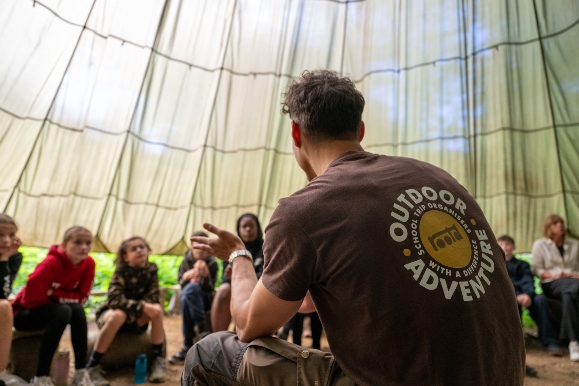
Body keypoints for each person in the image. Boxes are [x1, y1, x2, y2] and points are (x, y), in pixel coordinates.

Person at [182, 70, 525, 385]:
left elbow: (246, 324)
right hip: (503, 377)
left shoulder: (304, 210)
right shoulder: (439, 179)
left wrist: (239, 256)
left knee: (209, 353)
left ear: (295, 132)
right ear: (360, 130)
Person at [12, 226, 95, 386]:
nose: (84, 247)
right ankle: (41, 376)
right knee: (63, 310)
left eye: (88, 243)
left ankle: (80, 372)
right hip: (25, 314)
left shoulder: (88, 264)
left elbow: (82, 297)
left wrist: (53, 293)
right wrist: (64, 298)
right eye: (77, 242)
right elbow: (29, 301)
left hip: (55, 310)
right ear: (64, 245)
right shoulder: (50, 264)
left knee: (76, 310)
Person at [87, 236, 167, 385]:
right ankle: (93, 365)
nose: (139, 250)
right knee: (119, 314)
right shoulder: (121, 270)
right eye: (133, 248)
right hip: (113, 317)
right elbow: (114, 300)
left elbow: (153, 297)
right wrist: (141, 307)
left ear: (148, 250)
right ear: (125, 257)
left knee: (156, 310)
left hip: (135, 320)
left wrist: (141, 309)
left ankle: (158, 360)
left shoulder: (152, 270)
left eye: (142, 247)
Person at [497, 235, 562, 377]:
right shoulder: (495, 265)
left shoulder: (522, 265)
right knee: (510, 305)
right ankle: (516, 346)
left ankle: (550, 341)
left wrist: (527, 294)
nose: (505, 247)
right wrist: (513, 297)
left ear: (513, 247)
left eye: (508, 244)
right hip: (507, 299)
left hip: (525, 296)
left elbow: (528, 280)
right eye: (501, 244)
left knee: (540, 300)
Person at [531, 214, 579, 361]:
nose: (560, 225)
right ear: (549, 227)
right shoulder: (540, 244)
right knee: (572, 290)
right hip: (552, 282)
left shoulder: (575, 244)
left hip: (574, 282)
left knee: (569, 294)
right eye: (556, 223)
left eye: (561, 223)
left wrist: (573, 275)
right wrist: (554, 275)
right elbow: (536, 269)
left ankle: (573, 342)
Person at [168, 231, 218, 364]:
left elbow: (210, 289)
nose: (201, 247)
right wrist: (186, 276)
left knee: (190, 292)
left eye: (204, 244)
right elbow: (181, 283)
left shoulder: (212, 263)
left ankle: (186, 345)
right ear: (191, 245)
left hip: (206, 299)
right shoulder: (186, 261)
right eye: (198, 243)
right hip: (189, 300)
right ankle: (202, 328)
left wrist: (206, 276)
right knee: (188, 293)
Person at [209, 214, 264, 332]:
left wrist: (243, 276)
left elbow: (268, 276)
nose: (248, 229)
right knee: (224, 289)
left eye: (251, 226)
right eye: (244, 226)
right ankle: (218, 337)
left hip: (259, 291)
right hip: (235, 289)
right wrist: (232, 277)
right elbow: (225, 277)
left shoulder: (266, 247)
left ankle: (244, 331)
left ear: (258, 228)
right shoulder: (230, 248)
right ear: (239, 230)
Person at [0, 214, 23, 386]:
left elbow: (3, 292)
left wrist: (3, 260)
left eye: (11, 235)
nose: (7, 241)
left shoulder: (13, 257)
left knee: (4, 306)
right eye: (0, 234)